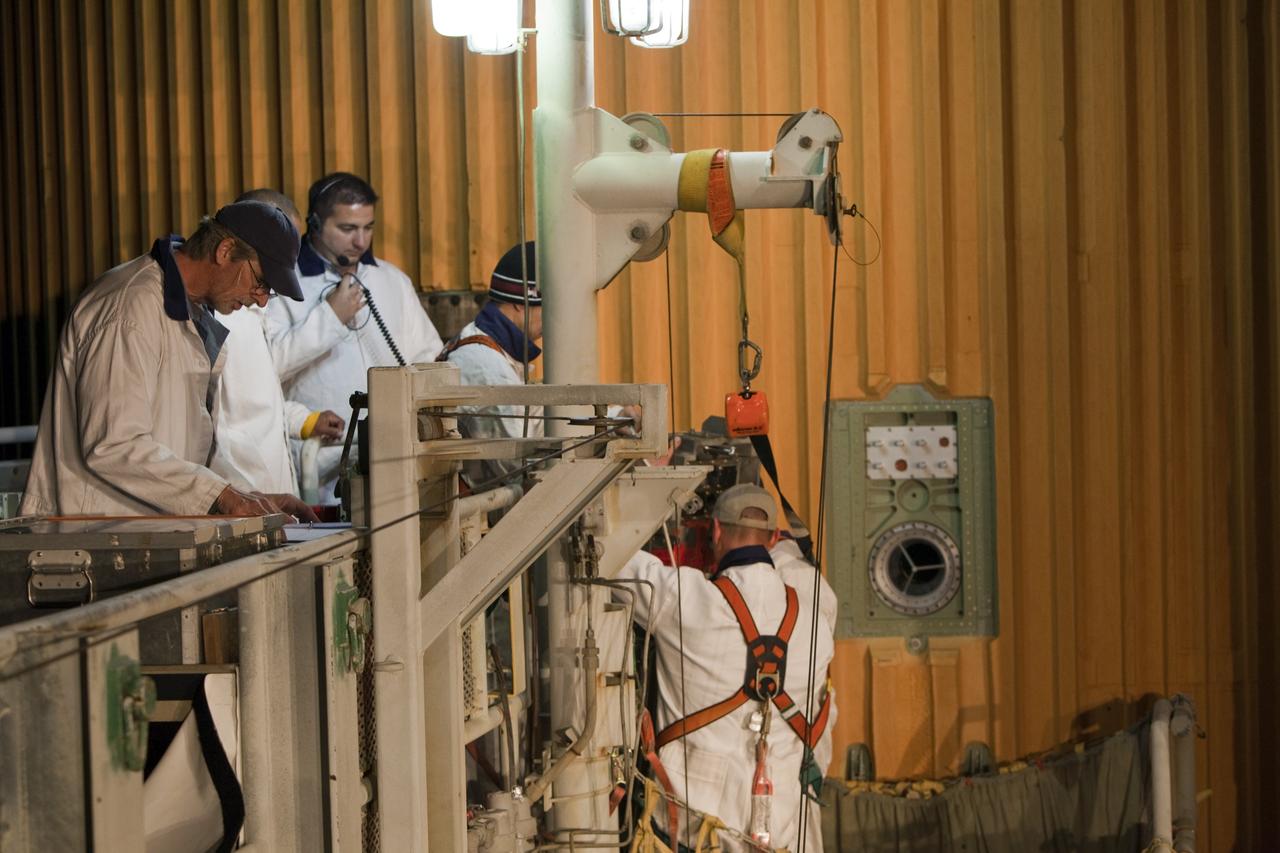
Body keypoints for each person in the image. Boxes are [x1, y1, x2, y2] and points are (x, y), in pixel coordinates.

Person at [21, 202, 316, 520]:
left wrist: (244, 497)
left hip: (140, 534)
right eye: (261, 282)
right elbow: (114, 445)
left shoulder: (190, 311)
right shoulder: (128, 309)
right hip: (92, 539)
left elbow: (175, 448)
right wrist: (221, 496)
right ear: (225, 251)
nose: (260, 299)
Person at [618, 484, 837, 852]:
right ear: (772, 540)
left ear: (716, 531)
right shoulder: (815, 618)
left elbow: (614, 558)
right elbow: (796, 562)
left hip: (696, 832)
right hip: (785, 833)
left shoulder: (687, 600)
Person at [268, 172, 444, 502]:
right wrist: (330, 319)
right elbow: (268, 367)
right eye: (348, 229)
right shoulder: (282, 284)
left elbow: (426, 358)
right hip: (318, 464)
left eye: (368, 227)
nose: (361, 242)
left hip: (392, 456)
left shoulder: (392, 281)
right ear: (316, 224)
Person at [211, 189, 345, 497]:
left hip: (267, 497)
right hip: (247, 496)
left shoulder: (252, 309)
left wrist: (305, 421)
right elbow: (223, 421)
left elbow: (257, 399)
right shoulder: (228, 316)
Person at [439, 241, 543, 485]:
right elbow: (518, 462)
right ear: (521, 302)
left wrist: (613, 416)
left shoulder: (493, 350)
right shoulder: (485, 366)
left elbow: (534, 417)